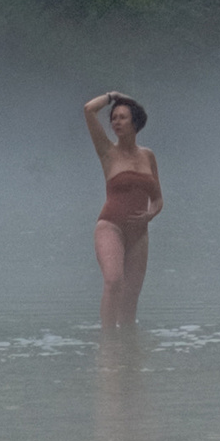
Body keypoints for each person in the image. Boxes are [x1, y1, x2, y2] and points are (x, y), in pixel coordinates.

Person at [84, 89, 162, 330]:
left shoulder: (148, 156)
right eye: (114, 118)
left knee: (131, 297)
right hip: (111, 226)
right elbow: (89, 110)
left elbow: (158, 199)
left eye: (122, 117)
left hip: (139, 234)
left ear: (135, 122)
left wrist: (150, 214)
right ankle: (107, 342)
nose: (116, 122)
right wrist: (112, 96)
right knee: (114, 281)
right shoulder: (108, 151)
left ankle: (128, 350)